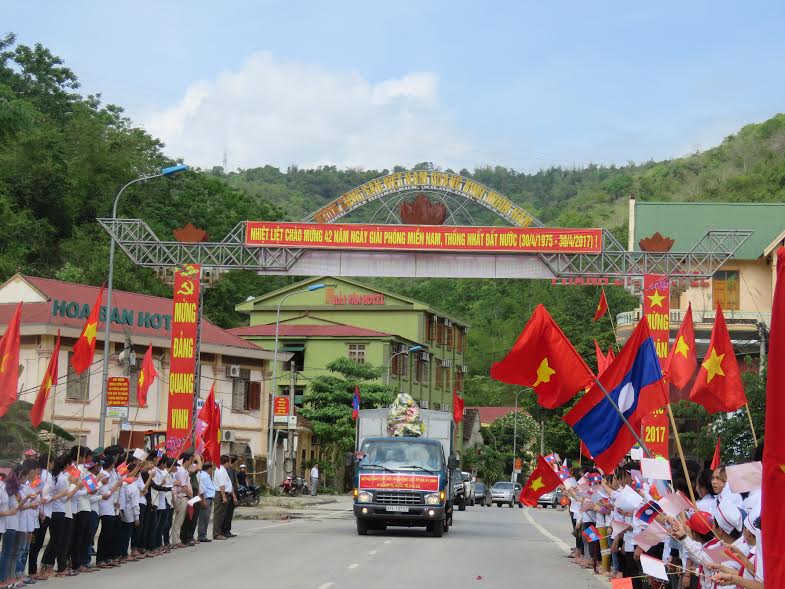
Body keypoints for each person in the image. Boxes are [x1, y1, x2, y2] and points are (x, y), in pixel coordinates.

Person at [170, 453, 194, 548]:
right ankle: (176, 540)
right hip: (181, 496)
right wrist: (190, 495)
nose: (191, 462)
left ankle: (176, 539)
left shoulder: (185, 470)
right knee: (178, 520)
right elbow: (183, 486)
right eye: (191, 460)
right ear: (186, 460)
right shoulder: (181, 470)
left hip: (184, 496)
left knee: (180, 520)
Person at [212, 456, 232, 540]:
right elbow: (222, 485)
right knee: (218, 515)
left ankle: (219, 532)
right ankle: (216, 534)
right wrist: (224, 496)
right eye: (229, 462)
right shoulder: (221, 471)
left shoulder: (222, 470)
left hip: (222, 493)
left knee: (221, 514)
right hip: (220, 494)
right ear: (226, 462)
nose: (230, 464)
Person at [220, 455, 238, 538]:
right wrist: (233, 496)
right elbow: (230, 485)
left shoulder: (232, 470)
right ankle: (225, 530)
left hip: (231, 494)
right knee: (227, 514)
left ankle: (227, 530)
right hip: (230, 494)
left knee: (229, 514)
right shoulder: (229, 471)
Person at [197, 462, 215, 543]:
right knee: (203, 518)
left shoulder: (206, 475)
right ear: (209, 468)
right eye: (212, 468)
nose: (212, 470)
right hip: (206, 498)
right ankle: (201, 535)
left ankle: (203, 534)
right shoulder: (204, 476)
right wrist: (203, 500)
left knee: (206, 518)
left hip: (209, 498)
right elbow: (202, 489)